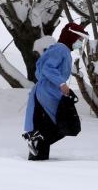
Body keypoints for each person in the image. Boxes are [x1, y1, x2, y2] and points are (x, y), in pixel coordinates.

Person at [23, 22, 87, 161]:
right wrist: (61, 83)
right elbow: (48, 68)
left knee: (54, 123)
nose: (80, 44)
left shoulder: (61, 50)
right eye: (79, 40)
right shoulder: (60, 49)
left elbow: (41, 68)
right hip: (48, 92)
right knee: (66, 123)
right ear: (71, 37)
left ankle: (37, 149)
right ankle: (36, 140)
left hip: (48, 92)